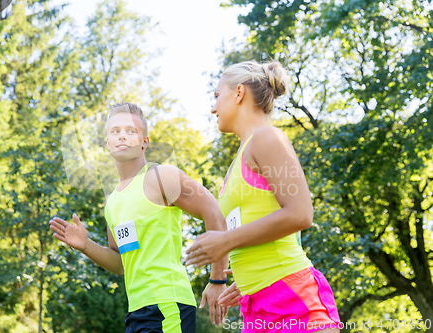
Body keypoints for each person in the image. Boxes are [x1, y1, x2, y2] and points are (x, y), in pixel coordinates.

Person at [185, 61, 341, 332]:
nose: (213, 107)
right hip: (255, 304)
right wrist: (248, 276)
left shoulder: (267, 138)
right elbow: (262, 218)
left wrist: (226, 241)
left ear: (239, 93)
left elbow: (300, 213)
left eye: (216, 96)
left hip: (293, 298)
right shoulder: (240, 156)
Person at [49, 102, 228, 333]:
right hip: (136, 312)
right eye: (115, 131)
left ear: (144, 142)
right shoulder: (112, 202)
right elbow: (120, 262)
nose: (122, 136)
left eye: (131, 131)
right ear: (108, 143)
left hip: (168, 304)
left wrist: (217, 280)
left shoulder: (161, 176)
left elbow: (214, 212)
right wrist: (86, 245)